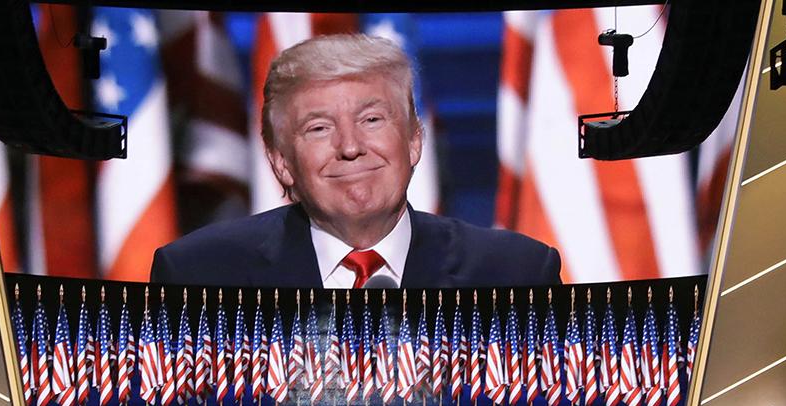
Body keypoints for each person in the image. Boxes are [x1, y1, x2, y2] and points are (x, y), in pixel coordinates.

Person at [150, 34, 561, 290]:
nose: (350, 146)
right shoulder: (198, 276)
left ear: (414, 141)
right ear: (280, 162)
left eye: (371, 119)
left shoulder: (516, 272)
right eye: (319, 128)